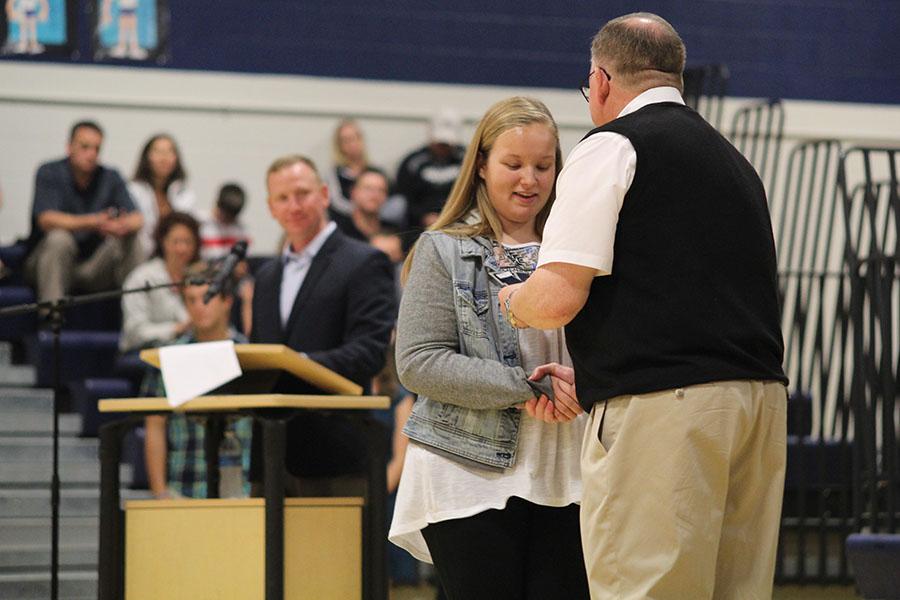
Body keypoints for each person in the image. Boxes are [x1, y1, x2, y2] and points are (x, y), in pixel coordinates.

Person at [497, 13, 788, 599]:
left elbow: (554, 298)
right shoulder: (735, 162)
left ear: (601, 81)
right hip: (757, 406)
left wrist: (511, 300)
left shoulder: (612, 146)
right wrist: (604, 367)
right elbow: (685, 296)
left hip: (666, 412)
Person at [389, 96, 589, 600]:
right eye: (514, 164)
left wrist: (582, 386)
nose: (530, 180)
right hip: (466, 470)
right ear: (481, 164)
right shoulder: (441, 248)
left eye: (543, 166)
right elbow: (418, 362)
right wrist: (522, 388)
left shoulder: (584, 253)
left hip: (570, 469)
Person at [250, 154, 396, 494]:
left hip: (335, 456)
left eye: (302, 193)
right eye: (282, 198)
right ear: (271, 208)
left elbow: (368, 352)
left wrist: (297, 365)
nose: (293, 205)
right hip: (270, 457)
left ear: (325, 195)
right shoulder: (267, 276)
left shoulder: (363, 262)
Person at [142, 262, 251, 499]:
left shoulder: (250, 357)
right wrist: (160, 491)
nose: (198, 307)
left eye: (206, 298)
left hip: (241, 489)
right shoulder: (168, 358)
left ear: (227, 301)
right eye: (190, 300)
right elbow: (155, 425)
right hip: (184, 485)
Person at [24, 120, 143, 303]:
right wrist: (95, 222)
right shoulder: (49, 171)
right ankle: (51, 320)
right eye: (85, 147)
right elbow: (46, 219)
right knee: (59, 239)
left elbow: (138, 219)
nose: (91, 154)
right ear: (69, 147)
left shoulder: (110, 176)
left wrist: (119, 226)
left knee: (131, 239)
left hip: (93, 266)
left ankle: (133, 315)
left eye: (97, 149)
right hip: (48, 264)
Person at [119, 211, 200, 353]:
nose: (182, 249)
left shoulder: (198, 278)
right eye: (176, 242)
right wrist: (176, 329)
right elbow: (134, 333)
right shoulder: (142, 277)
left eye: (188, 242)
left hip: (187, 349)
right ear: (163, 242)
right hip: (143, 354)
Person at [395, 108, 466, 243]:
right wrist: (423, 216)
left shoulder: (468, 160)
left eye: (446, 144)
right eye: (439, 142)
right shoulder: (413, 162)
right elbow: (404, 197)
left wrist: (449, 217)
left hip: (458, 224)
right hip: (418, 227)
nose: (442, 147)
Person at [326, 118, 407, 227]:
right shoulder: (335, 174)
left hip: (379, 222)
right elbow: (336, 203)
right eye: (347, 140)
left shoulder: (376, 171)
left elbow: (393, 199)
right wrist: (362, 210)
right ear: (339, 145)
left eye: (356, 138)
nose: (352, 144)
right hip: (348, 224)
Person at [129, 133, 196, 258]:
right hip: (141, 259)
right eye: (158, 152)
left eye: (170, 152)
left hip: (175, 259)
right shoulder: (133, 191)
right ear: (147, 157)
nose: (164, 158)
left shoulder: (185, 194)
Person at [329, 167, 392, 242]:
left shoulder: (392, 230)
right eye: (368, 189)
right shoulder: (338, 233)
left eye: (381, 190)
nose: (375, 195)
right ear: (353, 192)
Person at [199, 182, 250, 261]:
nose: (228, 220)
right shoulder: (199, 223)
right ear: (218, 204)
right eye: (226, 215)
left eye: (232, 217)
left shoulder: (241, 230)